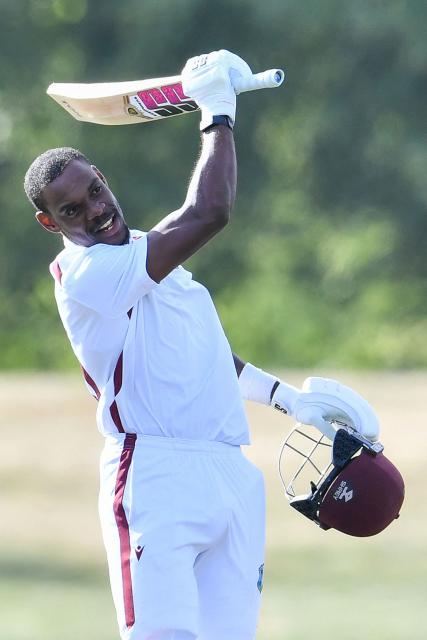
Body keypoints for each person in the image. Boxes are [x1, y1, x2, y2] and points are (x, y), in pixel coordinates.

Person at [24, 50, 381, 640]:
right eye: (72, 209)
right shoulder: (82, 275)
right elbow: (210, 210)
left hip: (231, 476)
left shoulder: (150, 252)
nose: (95, 210)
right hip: (155, 474)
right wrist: (217, 112)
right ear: (50, 223)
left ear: (103, 178)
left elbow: (207, 357)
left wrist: (291, 400)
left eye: (93, 191)